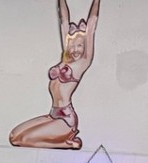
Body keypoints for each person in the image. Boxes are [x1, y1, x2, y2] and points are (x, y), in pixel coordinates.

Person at [9, 0, 101, 150]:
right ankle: (64, 141)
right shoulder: (65, 60)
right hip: (53, 114)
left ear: (85, 47)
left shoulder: (82, 63)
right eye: (72, 46)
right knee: (14, 136)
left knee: (23, 140)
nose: (75, 50)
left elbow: (92, 23)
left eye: (80, 45)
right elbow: (63, 20)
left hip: (65, 120)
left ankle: (66, 143)